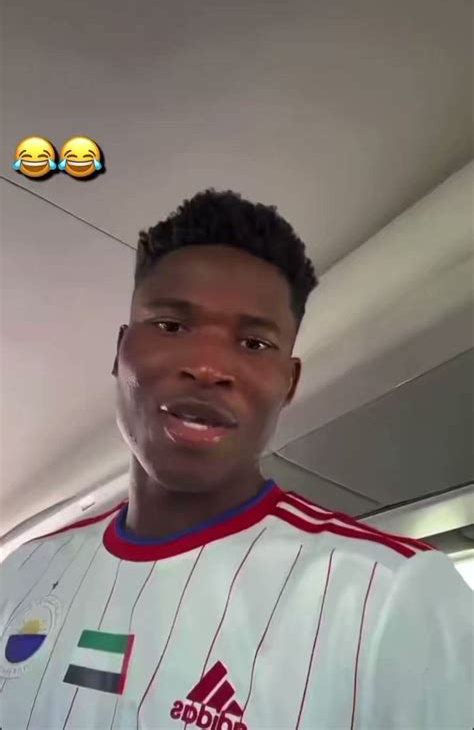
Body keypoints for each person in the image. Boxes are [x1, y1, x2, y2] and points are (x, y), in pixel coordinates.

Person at [0, 189, 472, 729]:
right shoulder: (22, 573)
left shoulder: (394, 596)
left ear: (289, 383)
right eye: (171, 326)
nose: (206, 368)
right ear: (120, 351)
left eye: (253, 344)